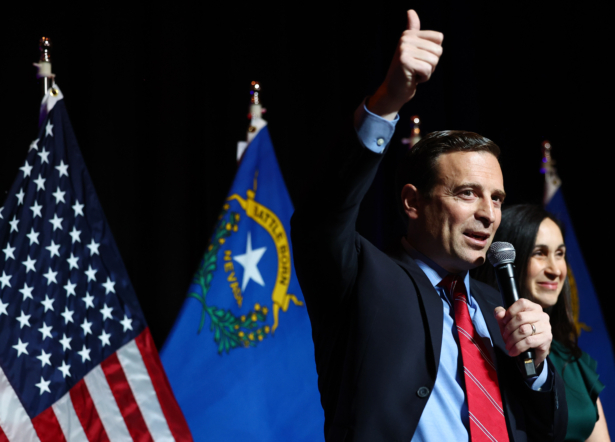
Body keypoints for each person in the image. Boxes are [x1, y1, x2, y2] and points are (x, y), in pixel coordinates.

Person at [290, 9, 567, 442]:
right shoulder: (361, 278)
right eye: (467, 193)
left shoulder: (499, 308)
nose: (489, 214)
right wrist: (387, 101)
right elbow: (321, 215)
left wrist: (537, 368)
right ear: (412, 202)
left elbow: (547, 429)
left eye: (496, 199)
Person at [473, 204, 609, 441]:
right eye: (540, 252)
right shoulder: (485, 343)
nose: (555, 270)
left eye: (560, 254)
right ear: (509, 260)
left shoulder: (573, 360)